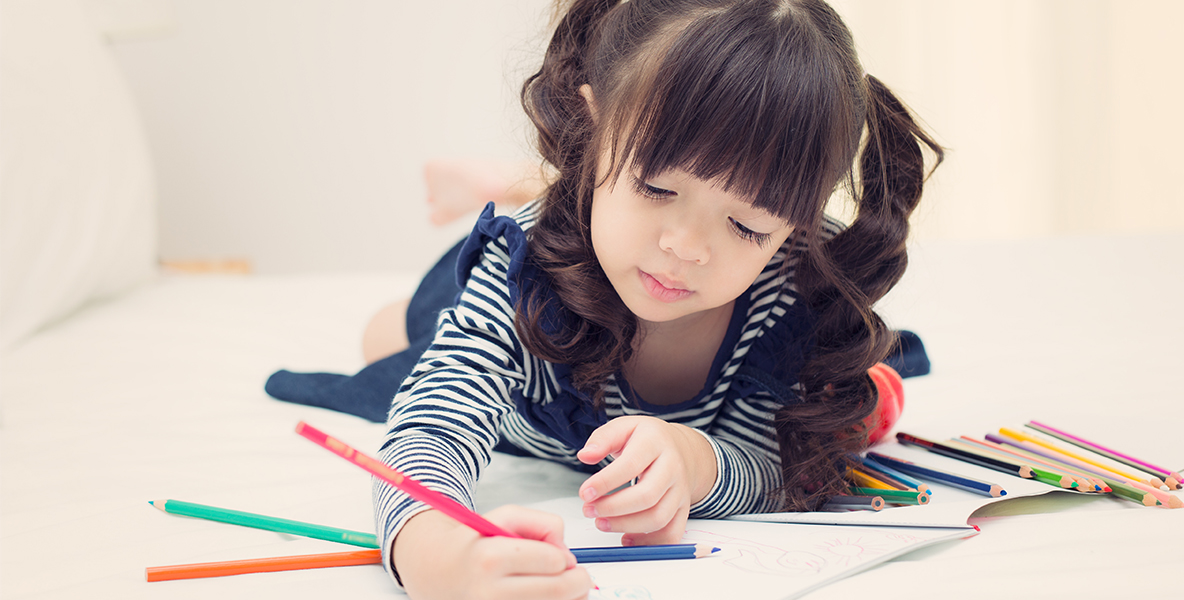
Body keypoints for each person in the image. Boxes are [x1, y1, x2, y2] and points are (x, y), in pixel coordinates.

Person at [270, 1, 941, 597]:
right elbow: (430, 427)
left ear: (794, 224)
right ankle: (502, 191)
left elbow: (773, 458)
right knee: (394, 339)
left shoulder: (793, 286)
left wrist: (695, 461)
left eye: (746, 225)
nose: (686, 246)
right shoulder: (520, 266)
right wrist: (437, 561)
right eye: (655, 187)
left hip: (599, 234)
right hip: (544, 274)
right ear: (593, 125)